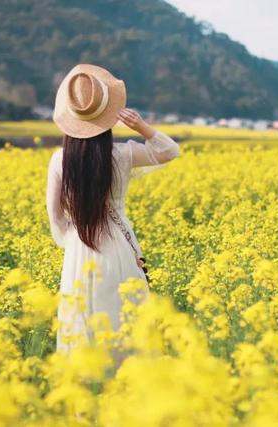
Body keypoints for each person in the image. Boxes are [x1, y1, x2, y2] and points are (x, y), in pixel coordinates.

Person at [45, 64, 180, 362]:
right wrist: (142, 127)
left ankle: (84, 398)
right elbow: (171, 151)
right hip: (119, 245)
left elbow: (54, 216)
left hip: (80, 248)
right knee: (124, 320)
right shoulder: (122, 155)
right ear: (107, 117)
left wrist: (74, 239)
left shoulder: (59, 160)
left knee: (81, 323)